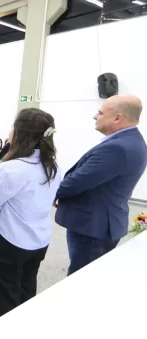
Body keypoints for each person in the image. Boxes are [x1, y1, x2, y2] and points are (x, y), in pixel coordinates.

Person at [0, 108, 61, 320]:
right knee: (26, 289)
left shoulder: (12, 168)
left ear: (20, 133)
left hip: (7, 243)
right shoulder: (52, 165)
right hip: (39, 240)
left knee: (5, 298)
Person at [55, 94, 147, 275]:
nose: (95, 116)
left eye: (100, 112)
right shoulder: (132, 142)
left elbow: (78, 181)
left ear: (117, 118)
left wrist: (52, 192)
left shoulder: (117, 148)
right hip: (103, 223)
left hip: (92, 229)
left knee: (81, 279)